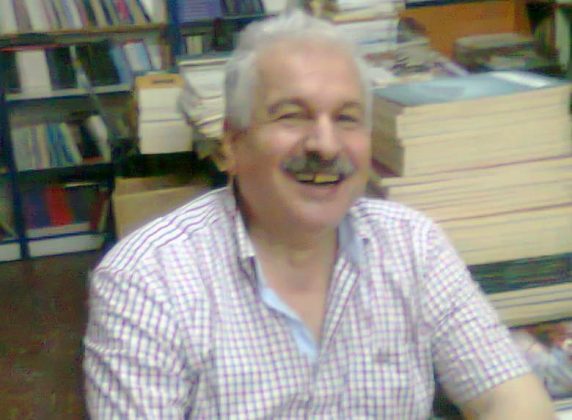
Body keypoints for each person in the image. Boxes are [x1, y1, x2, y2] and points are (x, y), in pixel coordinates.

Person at [84, 11, 555, 419]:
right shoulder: (147, 280)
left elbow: (511, 396)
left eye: (347, 118)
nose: (326, 145)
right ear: (231, 144)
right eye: (292, 115)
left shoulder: (413, 245)